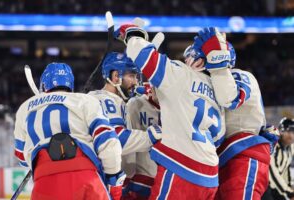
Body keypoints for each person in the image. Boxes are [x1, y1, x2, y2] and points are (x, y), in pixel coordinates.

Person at [114, 23, 226, 199]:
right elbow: (218, 138)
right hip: (210, 176)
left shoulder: (182, 74)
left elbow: (144, 56)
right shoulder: (218, 93)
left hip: (183, 169)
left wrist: (133, 34)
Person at [187, 28, 279, 200]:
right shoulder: (204, 83)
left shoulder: (240, 75)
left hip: (242, 154)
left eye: (196, 57)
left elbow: (230, 98)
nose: (190, 63)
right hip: (218, 160)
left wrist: (217, 64)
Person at [14, 63, 123, 200]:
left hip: (44, 183)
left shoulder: (25, 108)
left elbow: (21, 156)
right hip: (85, 177)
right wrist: (113, 177)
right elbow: (108, 142)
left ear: (43, 84)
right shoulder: (86, 100)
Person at [124, 82, 160, 199]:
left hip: (168, 177)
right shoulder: (135, 104)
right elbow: (128, 143)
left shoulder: (179, 107)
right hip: (141, 179)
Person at [262, 117, 294, 200]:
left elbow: (286, 170)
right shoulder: (273, 145)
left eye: (293, 132)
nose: (291, 135)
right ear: (281, 131)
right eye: (288, 131)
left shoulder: (290, 148)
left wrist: (290, 186)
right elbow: (272, 173)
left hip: (276, 186)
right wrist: (289, 192)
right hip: (266, 185)